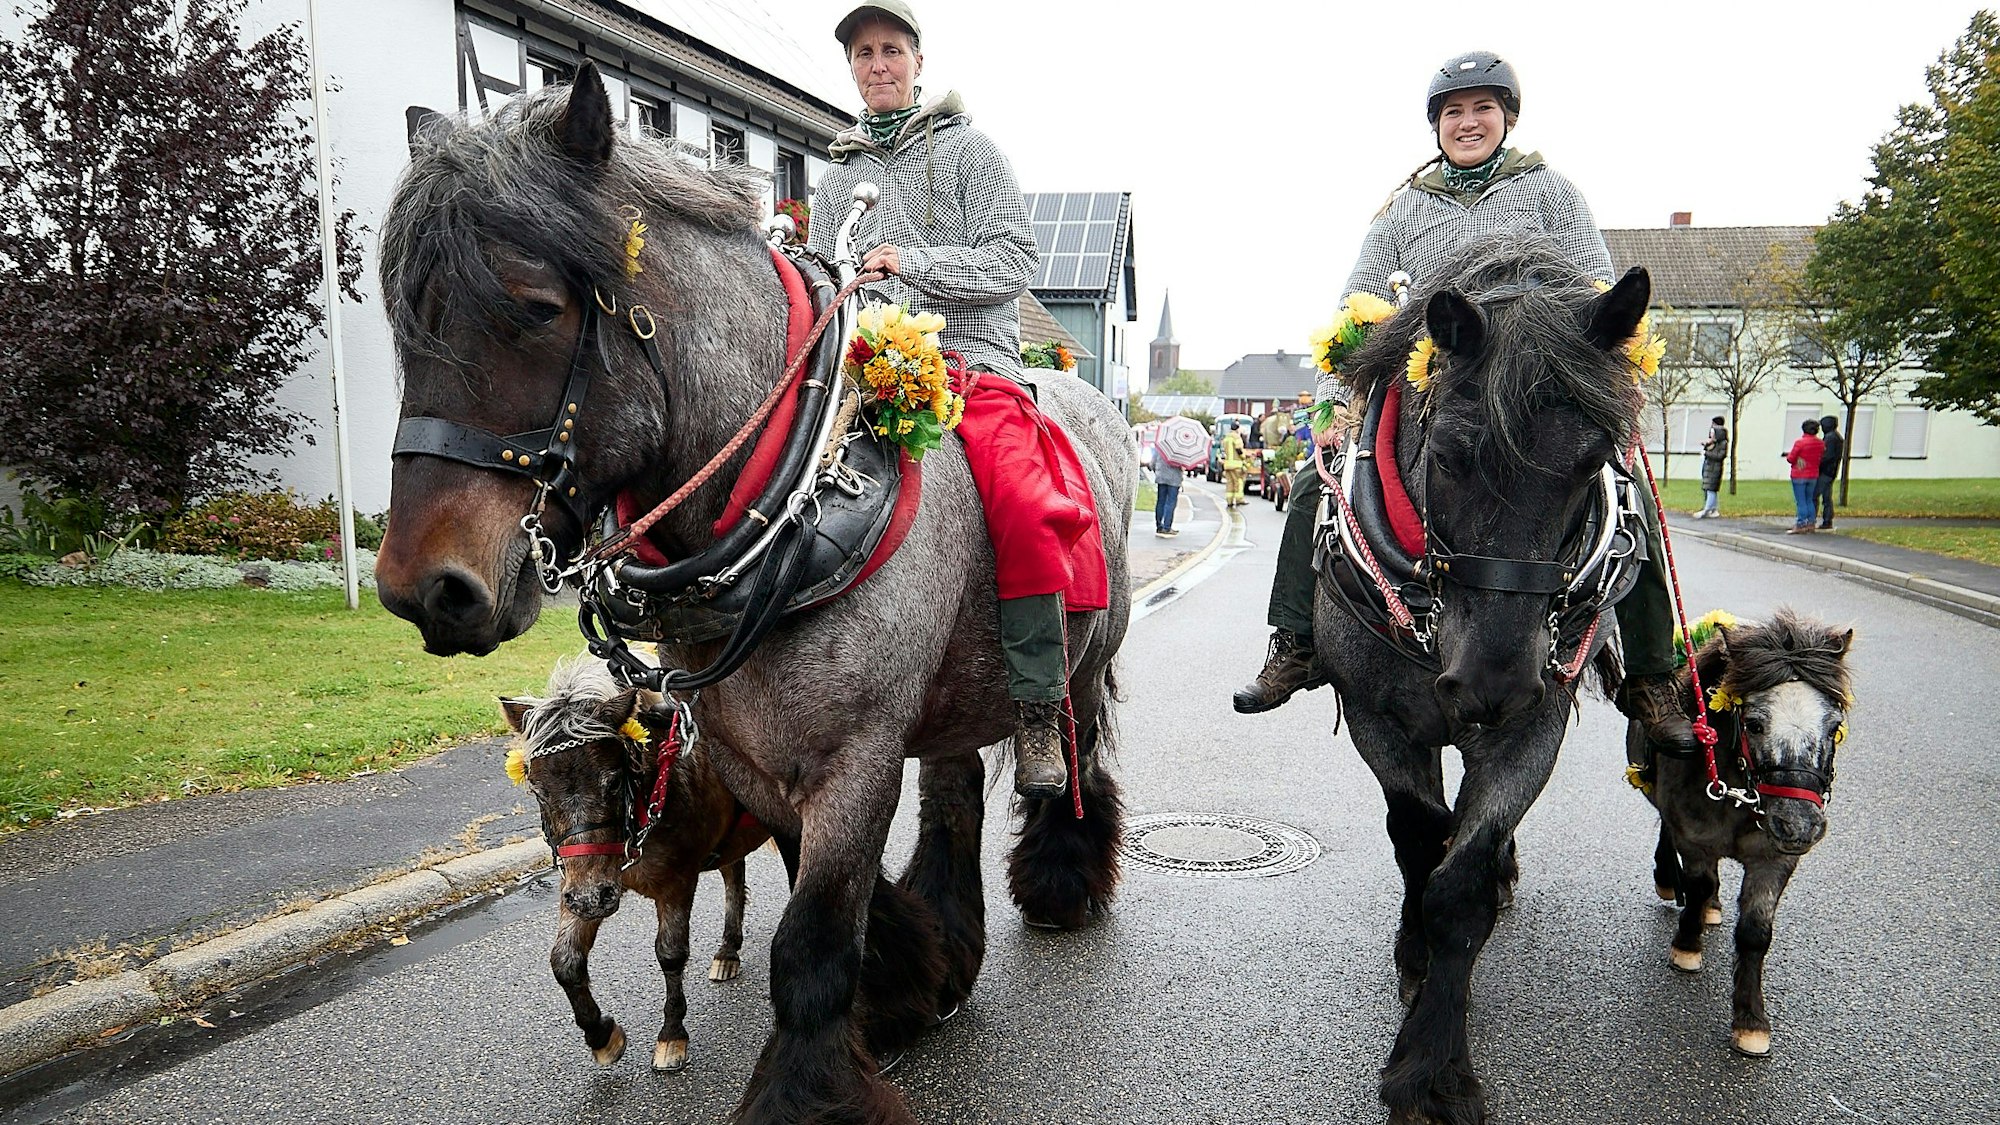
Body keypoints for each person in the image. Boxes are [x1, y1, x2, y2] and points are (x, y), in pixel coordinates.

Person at [1232, 49, 1698, 754]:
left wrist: (1610, 392)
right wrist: (1332, 407)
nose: (1468, 122)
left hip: (1535, 391)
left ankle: (1654, 677)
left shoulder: (1553, 194)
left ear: (1506, 118)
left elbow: (1597, 289)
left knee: (1623, 499)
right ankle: (1294, 642)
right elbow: (1354, 309)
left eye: (1483, 108)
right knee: (1310, 484)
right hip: (1433, 382)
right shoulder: (1403, 211)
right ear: (1437, 126)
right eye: (1454, 112)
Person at [815, 1, 1104, 799]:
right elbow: (822, 277)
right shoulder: (837, 174)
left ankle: (1041, 705)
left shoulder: (972, 150)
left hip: (972, 365)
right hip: (864, 374)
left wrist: (910, 262)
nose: (878, 64)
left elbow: (1016, 257)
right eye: (864, 53)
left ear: (917, 61)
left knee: (1018, 494)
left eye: (891, 49)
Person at [1784, 419, 1825, 534]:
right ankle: (1811, 523)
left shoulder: (1800, 443)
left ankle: (1800, 523)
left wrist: (1797, 459)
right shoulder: (1820, 443)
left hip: (1799, 474)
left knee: (1801, 501)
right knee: (1809, 499)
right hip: (1813, 474)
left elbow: (1790, 458)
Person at [1696, 415, 1728, 519]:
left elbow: (1720, 456)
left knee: (1711, 489)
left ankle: (1707, 509)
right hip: (1709, 468)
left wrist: (1707, 453)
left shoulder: (1722, 443)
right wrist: (1706, 445)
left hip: (1715, 469)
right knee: (1708, 488)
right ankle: (1713, 509)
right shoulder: (1713, 443)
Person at [1815, 414, 1843, 529]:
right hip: (1830, 471)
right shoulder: (1835, 437)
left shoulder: (1830, 438)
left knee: (1818, 495)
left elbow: (1827, 456)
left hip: (1826, 472)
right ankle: (1827, 519)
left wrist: (1817, 463)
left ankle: (1825, 520)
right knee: (1826, 496)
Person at [1154, 450, 1184, 537]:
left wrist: (1157, 471)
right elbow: (1183, 464)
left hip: (1161, 477)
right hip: (1174, 479)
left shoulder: (1161, 447)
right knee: (1171, 503)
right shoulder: (1181, 450)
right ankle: (1167, 527)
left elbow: (1152, 462)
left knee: (1160, 502)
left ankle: (1159, 526)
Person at [1221, 423, 1248, 508]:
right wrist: (1243, 457)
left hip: (1227, 464)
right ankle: (1239, 500)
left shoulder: (1226, 438)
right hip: (1236, 464)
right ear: (1237, 429)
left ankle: (1229, 501)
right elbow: (1238, 449)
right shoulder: (1236, 437)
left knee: (1229, 483)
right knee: (1238, 482)